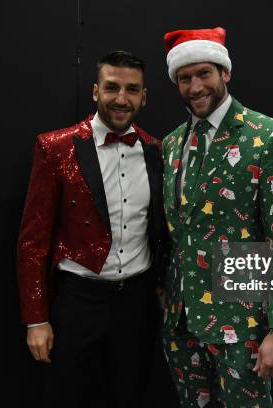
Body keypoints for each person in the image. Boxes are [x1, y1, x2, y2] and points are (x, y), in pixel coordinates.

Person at [161, 27, 273, 407]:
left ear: (225, 73)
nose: (195, 87)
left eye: (204, 74)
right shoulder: (173, 142)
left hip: (242, 324)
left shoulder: (269, 136)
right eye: (185, 78)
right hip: (181, 321)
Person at [16, 50, 165, 408]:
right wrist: (36, 320)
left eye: (132, 90)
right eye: (112, 87)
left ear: (143, 97)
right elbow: (32, 241)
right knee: (66, 396)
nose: (121, 99)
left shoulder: (157, 150)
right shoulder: (56, 148)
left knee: (130, 394)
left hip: (137, 300)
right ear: (96, 91)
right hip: (78, 300)